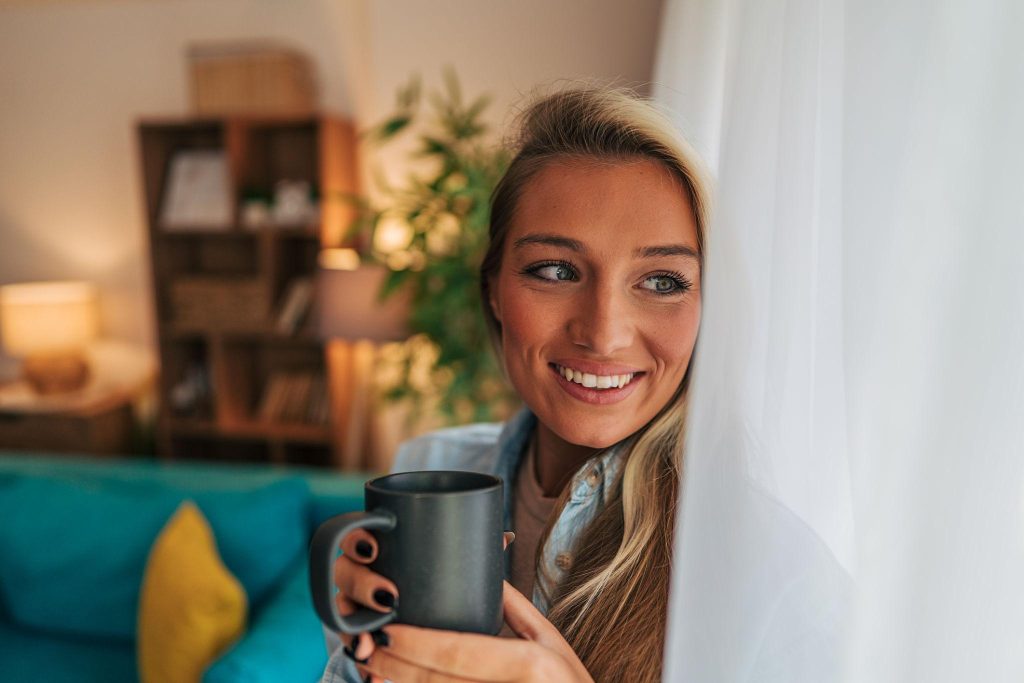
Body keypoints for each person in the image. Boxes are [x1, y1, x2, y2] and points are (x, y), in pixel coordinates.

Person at [321, 84, 712, 683]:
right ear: (495, 292)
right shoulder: (430, 465)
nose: (603, 335)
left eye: (662, 281)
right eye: (555, 270)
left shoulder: (753, 553)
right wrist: (359, 652)